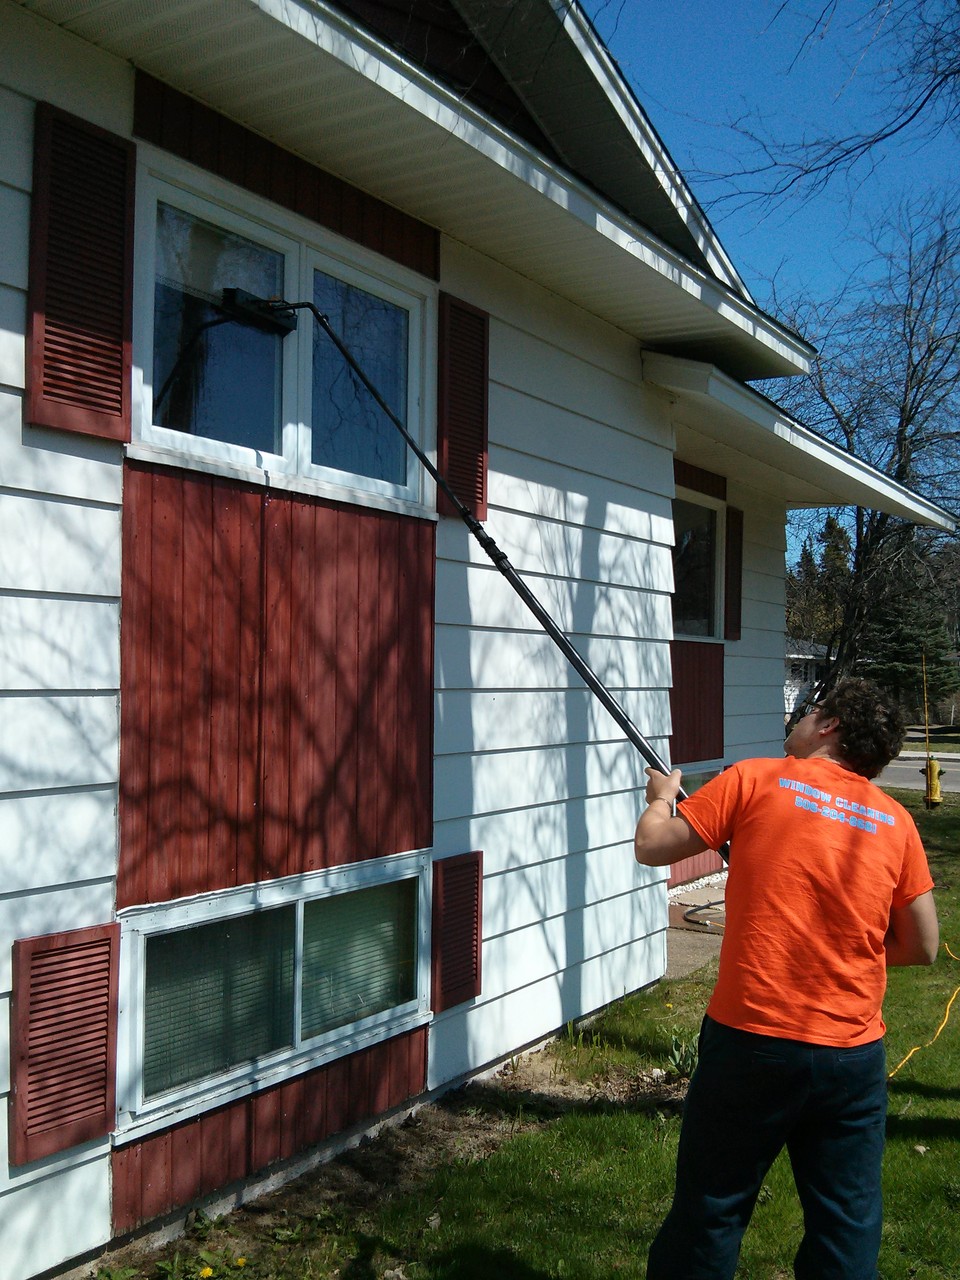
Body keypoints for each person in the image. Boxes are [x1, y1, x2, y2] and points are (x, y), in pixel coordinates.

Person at [634, 678, 938, 1280]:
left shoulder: (755, 778)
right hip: (852, 1058)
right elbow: (922, 946)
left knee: (712, 1208)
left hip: (752, 1042)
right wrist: (845, 954)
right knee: (845, 1223)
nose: (796, 721)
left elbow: (653, 846)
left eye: (808, 711)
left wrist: (662, 797)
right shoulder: (896, 821)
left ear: (829, 727)